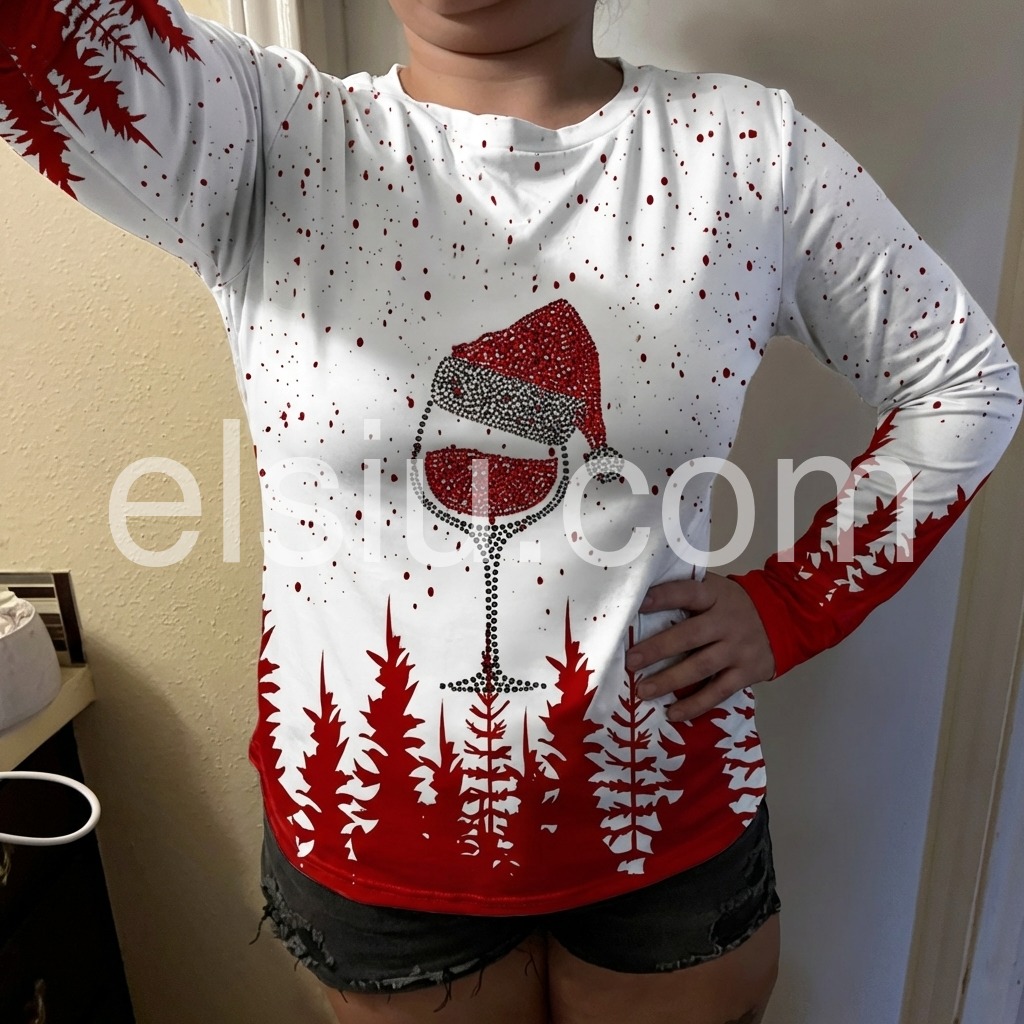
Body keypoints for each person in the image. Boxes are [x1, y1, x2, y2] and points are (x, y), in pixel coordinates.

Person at [2, 2, 1019, 1022]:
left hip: (659, 814)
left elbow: (966, 385)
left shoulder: (747, 153)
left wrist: (794, 605)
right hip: (373, 829)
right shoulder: (264, 135)